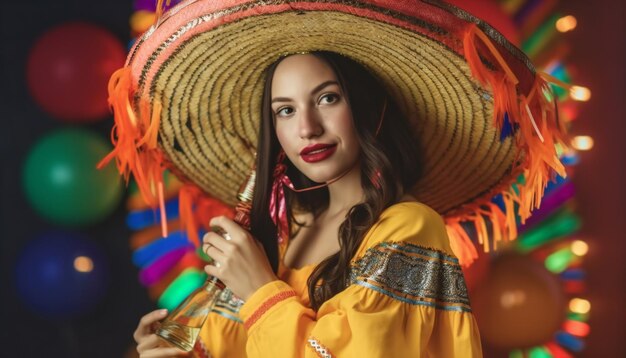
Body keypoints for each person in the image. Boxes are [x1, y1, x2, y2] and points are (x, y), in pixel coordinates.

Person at [103, 1, 567, 357]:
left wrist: (261, 291)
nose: (307, 127)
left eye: (327, 99)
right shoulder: (281, 238)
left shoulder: (409, 228)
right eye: (285, 110)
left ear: (368, 108)